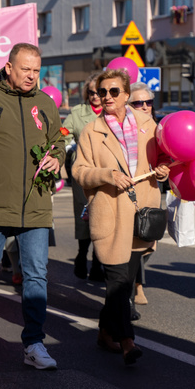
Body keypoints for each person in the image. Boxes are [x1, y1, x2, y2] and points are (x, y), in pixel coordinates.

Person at [0, 43, 64, 369]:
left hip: (34, 205)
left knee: (35, 276)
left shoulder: (46, 102)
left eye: (36, 70)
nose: (31, 76)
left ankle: (34, 343)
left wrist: (57, 158)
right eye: (25, 70)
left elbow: (57, 141)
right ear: (9, 67)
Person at [73, 69, 170, 364]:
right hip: (110, 213)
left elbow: (164, 155)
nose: (107, 97)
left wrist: (165, 168)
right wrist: (108, 175)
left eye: (114, 92)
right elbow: (79, 172)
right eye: (102, 92)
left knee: (124, 283)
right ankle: (128, 341)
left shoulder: (147, 124)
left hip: (141, 213)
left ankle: (105, 333)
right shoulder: (92, 130)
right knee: (117, 282)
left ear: (127, 95)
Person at [62, 74, 105, 281]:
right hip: (84, 173)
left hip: (107, 173)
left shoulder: (112, 112)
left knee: (103, 215)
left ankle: (98, 262)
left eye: (99, 92)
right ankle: (82, 254)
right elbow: (64, 133)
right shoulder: (78, 113)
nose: (96, 96)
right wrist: (67, 145)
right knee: (84, 215)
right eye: (91, 92)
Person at [127, 82, 157, 307]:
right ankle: (135, 288)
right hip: (126, 193)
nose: (145, 106)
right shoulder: (122, 127)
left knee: (148, 243)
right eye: (138, 102)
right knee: (131, 245)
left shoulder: (158, 127)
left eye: (148, 102)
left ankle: (134, 283)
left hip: (150, 192)